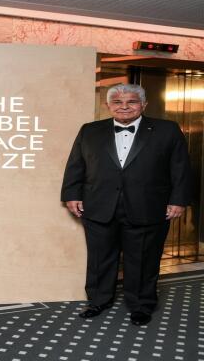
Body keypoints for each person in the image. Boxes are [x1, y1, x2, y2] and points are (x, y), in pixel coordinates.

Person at [61, 83, 191, 326]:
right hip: (98, 205)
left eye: (131, 101)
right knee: (99, 258)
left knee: (143, 259)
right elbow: (76, 165)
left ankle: (141, 305)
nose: (124, 107)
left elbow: (181, 168)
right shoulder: (89, 130)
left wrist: (178, 200)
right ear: (108, 105)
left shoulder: (167, 130)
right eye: (118, 102)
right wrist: (71, 194)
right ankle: (98, 300)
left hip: (149, 206)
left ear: (143, 104)